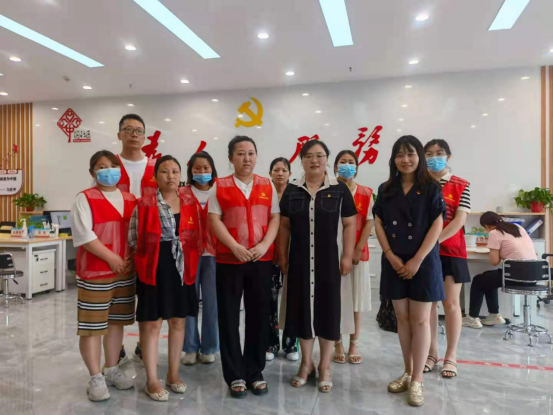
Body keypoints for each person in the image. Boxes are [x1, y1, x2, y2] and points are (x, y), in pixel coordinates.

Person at [373, 135, 445, 407]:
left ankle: (417, 380)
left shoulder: (431, 187)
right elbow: (378, 222)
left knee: (421, 321)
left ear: (420, 157)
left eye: (411, 154)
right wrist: (390, 255)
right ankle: (407, 371)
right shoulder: (386, 189)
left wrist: (417, 260)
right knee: (402, 320)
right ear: (393, 159)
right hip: (394, 261)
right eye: (400, 155)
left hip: (423, 262)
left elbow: (437, 224)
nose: (405, 160)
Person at [279, 140, 357, 393]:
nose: (314, 160)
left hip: (329, 261)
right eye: (309, 156)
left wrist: (347, 256)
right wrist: (282, 255)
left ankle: (324, 366)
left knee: (327, 311)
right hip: (299, 260)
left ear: (327, 159)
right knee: (302, 310)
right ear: (301, 160)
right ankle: (306, 364)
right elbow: (284, 226)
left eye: (320, 155)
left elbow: (349, 224)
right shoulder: (292, 190)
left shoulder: (340, 189)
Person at [208, 136, 280, 398]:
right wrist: (234, 246)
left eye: (251, 153)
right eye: (240, 153)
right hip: (229, 260)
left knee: (259, 315)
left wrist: (265, 245)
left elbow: (275, 217)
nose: (246, 158)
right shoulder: (220, 186)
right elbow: (214, 219)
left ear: (256, 156)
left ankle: (254, 371)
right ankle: (234, 374)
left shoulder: (267, 184)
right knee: (228, 317)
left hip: (260, 260)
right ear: (230, 158)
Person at [129, 155, 199, 402]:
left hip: (182, 269)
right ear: (155, 176)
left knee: (178, 321)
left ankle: (173, 374)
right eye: (165, 171)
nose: (170, 176)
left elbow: (198, 237)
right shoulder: (144, 204)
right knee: (152, 324)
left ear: (181, 176)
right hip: (153, 268)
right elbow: (133, 239)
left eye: (175, 171)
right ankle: (151, 380)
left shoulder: (190, 203)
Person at [71, 150, 137, 402]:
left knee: (115, 323)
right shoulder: (85, 198)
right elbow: (84, 235)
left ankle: (111, 369)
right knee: (92, 327)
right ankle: (95, 377)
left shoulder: (130, 198)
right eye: (102, 166)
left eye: (113, 165)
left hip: (125, 272)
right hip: (96, 272)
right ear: (92, 172)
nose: (108, 170)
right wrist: (112, 258)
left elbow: (136, 233)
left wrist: (128, 260)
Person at [423, 139, 471, 379]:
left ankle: (451, 355)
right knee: (429, 304)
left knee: (451, 304)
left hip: (450, 252)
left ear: (448, 156)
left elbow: (459, 221)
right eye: (429, 154)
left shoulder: (461, 185)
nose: (434, 158)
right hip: (424, 253)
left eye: (439, 153)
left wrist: (433, 242)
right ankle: (431, 353)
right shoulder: (419, 184)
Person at [114, 114, 158, 362]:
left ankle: (143, 345)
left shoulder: (156, 167)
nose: (134, 134)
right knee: (118, 296)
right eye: (128, 129)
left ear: (145, 137)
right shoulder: (109, 165)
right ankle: (116, 347)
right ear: (119, 134)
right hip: (116, 241)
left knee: (148, 296)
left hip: (149, 242)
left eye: (139, 130)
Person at [332, 150, 374, 365]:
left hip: (358, 253)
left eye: (351, 162)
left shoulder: (366, 192)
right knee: (336, 300)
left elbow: (369, 221)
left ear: (357, 167)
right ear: (335, 167)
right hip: (333, 252)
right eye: (342, 162)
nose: (347, 165)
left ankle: (354, 344)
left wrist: (357, 249)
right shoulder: (329, 190)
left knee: (356, 301)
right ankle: (337, 342)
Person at [463, 211, 537, 329]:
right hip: (534, 274)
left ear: (486, 226)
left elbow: (494, 262)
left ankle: (472, 318)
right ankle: (494, 316)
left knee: (478, 280)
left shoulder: (494, 233)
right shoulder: (517, 227)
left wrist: (498, 250)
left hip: (516, 276)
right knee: (487, 278)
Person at [181, 151, 220, 365]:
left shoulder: (220, 191)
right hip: (188, 255)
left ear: (212, 170)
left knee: (213, 303)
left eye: (206, 168)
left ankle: (210, 347)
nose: (202, 171)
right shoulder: (181, 193)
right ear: (191, 170)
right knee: (189, 301)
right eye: (197, 168)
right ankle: (189, 347)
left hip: (215, 255)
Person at [266, 157, 299, 362]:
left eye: (284, 170)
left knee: (291, 300)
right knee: (269, 301)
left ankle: (290, 343)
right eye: (276, 170)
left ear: (289, 174)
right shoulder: (264, 193)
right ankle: (270, 343)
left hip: (291, 254)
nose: (280, 173)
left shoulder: (295, 195)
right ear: (270, 173)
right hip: (268, 255)